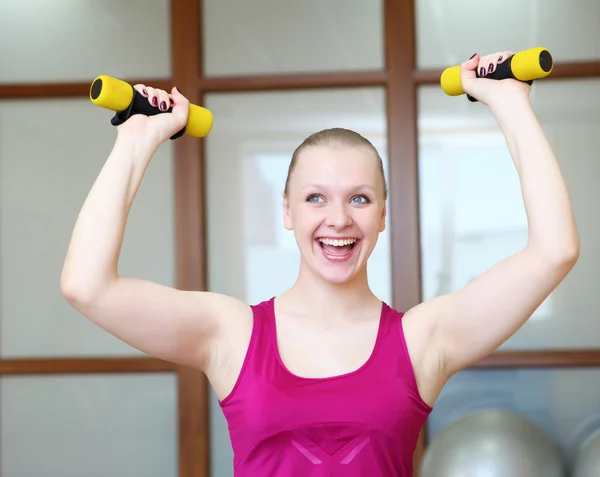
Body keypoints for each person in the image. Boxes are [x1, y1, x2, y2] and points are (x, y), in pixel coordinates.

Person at [60, 52, 580, 476]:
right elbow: (87, 286)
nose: (338, 219)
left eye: (358, 199)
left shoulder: (424, 340)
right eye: (315, 199)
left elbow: (553, 251)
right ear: (286, 211)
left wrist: (510, 102)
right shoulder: (231, 334)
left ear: (382, 214)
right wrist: (136, 141)